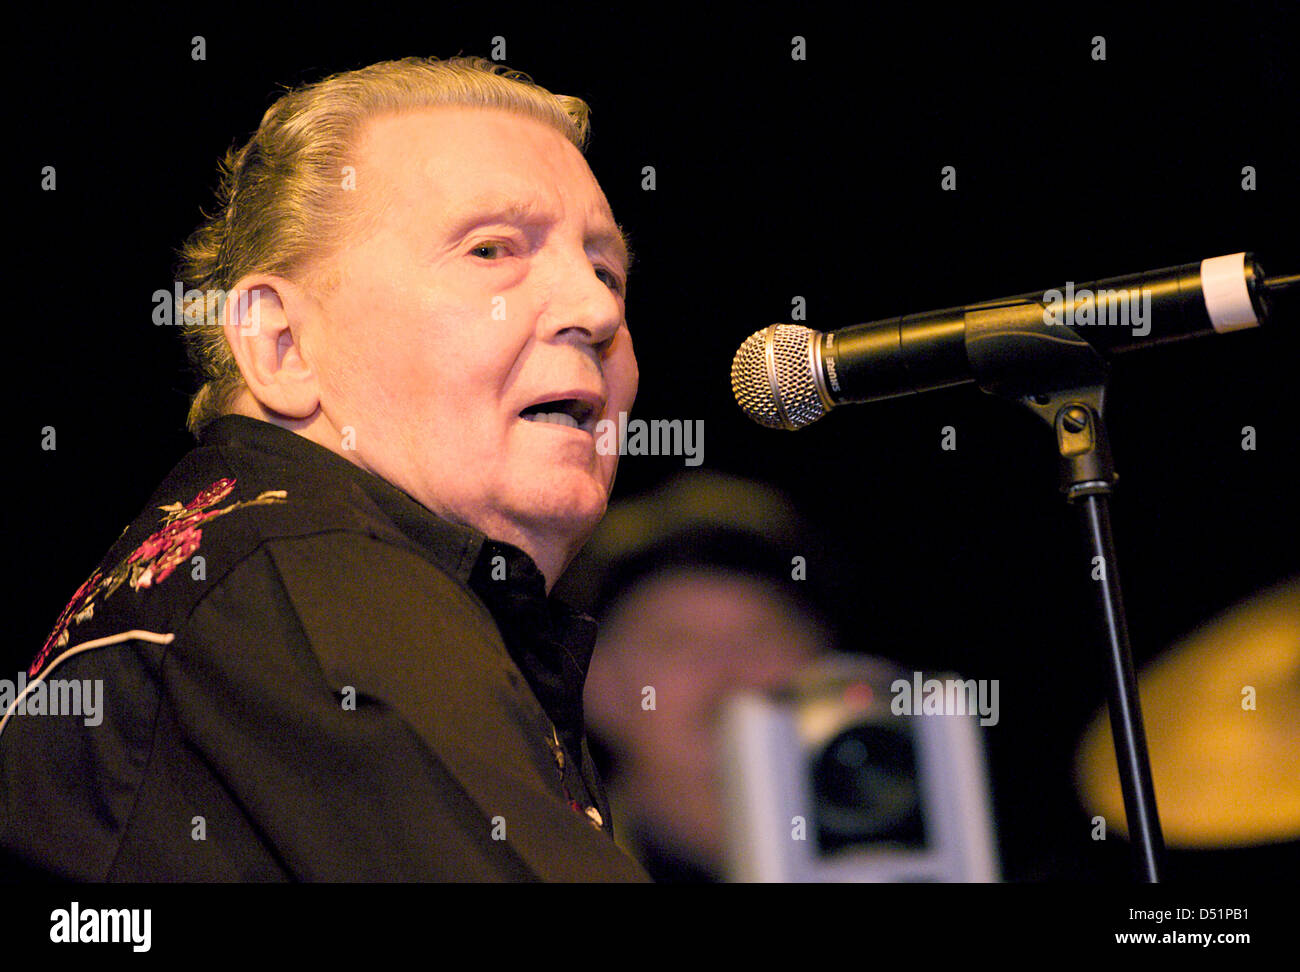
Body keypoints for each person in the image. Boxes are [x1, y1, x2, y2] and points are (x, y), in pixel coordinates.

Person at [0, 56, 649, 882]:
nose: (597, 311)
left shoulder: (238, 567)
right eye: (491, 251)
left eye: (606, 271)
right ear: (281, 346)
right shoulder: (318, 571)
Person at [557, 472, 840, 881]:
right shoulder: (543, 861)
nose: (727, 670)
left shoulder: (906, 847)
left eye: (759, 636)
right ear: (598, 685)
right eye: (677, 643)